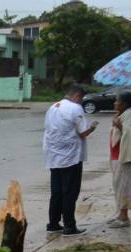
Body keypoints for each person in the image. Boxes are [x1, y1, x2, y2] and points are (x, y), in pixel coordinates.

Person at [43, 83, 99, 236]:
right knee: (70, 193)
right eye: (81, 98)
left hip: (54, 157)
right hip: (71, 158)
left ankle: (53, 224)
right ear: (76, 96)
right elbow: (82, 133)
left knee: (57, 192)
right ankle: (69, 226)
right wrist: (92, 127)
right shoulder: (75, 108)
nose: (81, 102)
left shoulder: (53, 107)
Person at [107, 91, 131, 228]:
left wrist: (119, 126)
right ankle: (120, 213)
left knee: (124, 185)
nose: (115, 103)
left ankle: (124, 216)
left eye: (117, 101)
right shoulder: (123, 114)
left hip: (126, 156)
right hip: (117, 156)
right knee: (118, 185)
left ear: (125, 103)